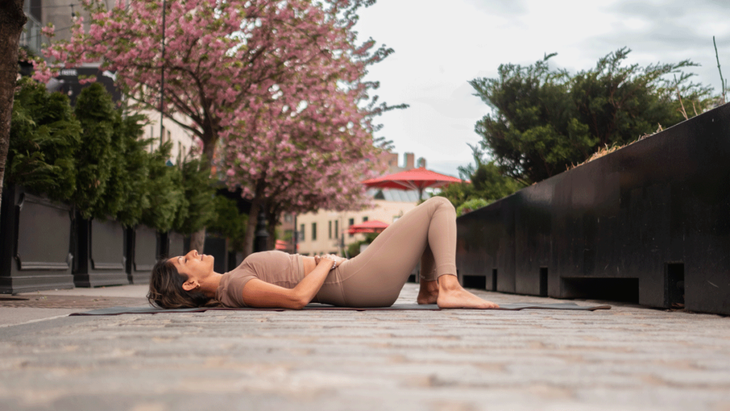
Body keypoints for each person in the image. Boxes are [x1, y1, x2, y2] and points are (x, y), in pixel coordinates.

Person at [148, 196, 499, 309]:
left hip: (353, 277)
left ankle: (431, 289)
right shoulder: (235, 285)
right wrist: (327, 262)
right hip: (354, 280)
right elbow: (297, 298)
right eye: (184, 260)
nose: (192, 252)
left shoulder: (232, 280)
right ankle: (448, 287)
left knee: (427, 220)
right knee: (439, 206)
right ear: (191, 285)